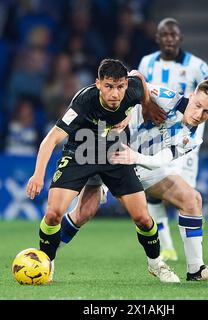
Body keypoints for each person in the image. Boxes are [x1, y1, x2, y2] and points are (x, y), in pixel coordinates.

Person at [60, 79, 208, 281]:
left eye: (207, 112)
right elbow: (133, 76)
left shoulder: (193, 137)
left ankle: (196, 269)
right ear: (192, 95)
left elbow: (163, 160)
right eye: (197, 106)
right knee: (83, 212)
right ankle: (45, 255)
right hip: (111, 153)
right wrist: (147, 102)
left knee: (192, 199)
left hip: (143, 164)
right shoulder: (166, 98)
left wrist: (135, 158)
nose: (198, 115)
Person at [26, 59, 180, 283]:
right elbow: (51, 139)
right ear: (98, 83)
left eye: (120, 87)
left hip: (115, 153)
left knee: (143, 218)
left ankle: (156, 265)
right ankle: (47, 264)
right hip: (81, 152)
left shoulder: (133, 89)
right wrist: (38, 174)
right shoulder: (83, 101)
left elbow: (140, 77)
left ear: (126, 85)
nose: (115, 93)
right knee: (53, 214)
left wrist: (146, 105)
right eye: (109, 86)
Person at [135, 18, 208, 262]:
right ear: (157, 38)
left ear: (180, 38)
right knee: (154, 189)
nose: (169, 39)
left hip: (184, 141)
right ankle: (167, 245)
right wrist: (147, 106)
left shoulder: (198, 67)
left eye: (173, 35)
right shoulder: (147, 62)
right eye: (164, 35)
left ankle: (190, 249)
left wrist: (192, 132)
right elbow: (140, 88)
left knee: (186, 194)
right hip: (154, 135)